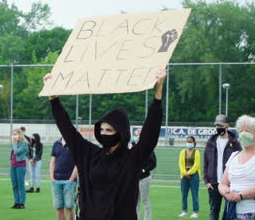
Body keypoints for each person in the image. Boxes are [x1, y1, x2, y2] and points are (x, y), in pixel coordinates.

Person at [43, 68, 166, 220]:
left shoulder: (132, 159)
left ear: (121, 133)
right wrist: (53, 98)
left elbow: (150, 133)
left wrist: (158, 93)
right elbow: (67, 128)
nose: (104, 134)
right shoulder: (90, 155)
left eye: (109, 130)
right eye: (101, 129)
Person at [219, 115, 255, 220]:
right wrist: (226, 192)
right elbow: (223, 183)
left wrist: (240, 195)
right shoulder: (234, 156)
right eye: (241, 131)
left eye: (247, 131)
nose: (243, 134)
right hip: (232, 212)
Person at [204, 115, 242, 220]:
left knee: (229, 212)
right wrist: (207, 181)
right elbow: (206, 162)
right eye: (216, 125)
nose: (218, 127)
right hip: (213, 184)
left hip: (229, 184)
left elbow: (240, 161)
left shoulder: (235, 142)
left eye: (220, 125)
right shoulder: (211, 141)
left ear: (227, 126)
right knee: (213, 212)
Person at [129, 129, 157, 220]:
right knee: (135, 202)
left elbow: (153, 163)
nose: (137, 136)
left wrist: (144, 170)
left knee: (145, 200)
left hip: (144, 178)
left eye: (139, 135)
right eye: (137, 135)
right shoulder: (133, 146)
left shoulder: (148, 148)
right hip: (134, 178)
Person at [50, 137, 78, 220]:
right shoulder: (56, 143)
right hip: (56, 181)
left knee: (69, 207)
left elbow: (78, 163)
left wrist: (71, 179)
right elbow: (52, 162)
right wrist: (52, 178)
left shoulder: (74, 144)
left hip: (69, 181)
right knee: (58, 208)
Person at [178, 136, 201, 218]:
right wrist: (184, 173)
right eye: (188, 142)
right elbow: (180, 164)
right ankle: (184, 211)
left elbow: (196, 165)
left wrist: (189, 173)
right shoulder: (182, 152)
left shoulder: (197, 152)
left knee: (194, 194)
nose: (189, 143)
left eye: (191, 142)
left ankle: (195, 212)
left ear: (194, 143)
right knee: (184, 194)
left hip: (194, 175)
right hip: (184, 175)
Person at [10, 128, 29, 209]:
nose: (14, 136)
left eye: (15, 134)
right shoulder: (15, 143)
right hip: (13, 166)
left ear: (20, 135)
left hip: (20, 166)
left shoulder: (24, 143)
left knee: (21, 185)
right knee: (14, 185)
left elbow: (17, 152)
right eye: (13, 134)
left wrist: (14, 143)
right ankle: (16, 202)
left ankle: (22, 203)